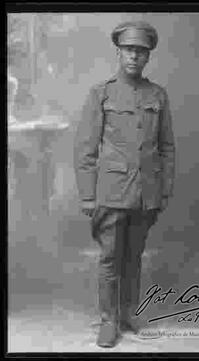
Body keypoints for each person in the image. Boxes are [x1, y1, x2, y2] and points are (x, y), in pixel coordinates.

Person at [73, 20, 175, 348]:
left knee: (134, 257)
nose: (134, 56)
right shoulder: (100, 93)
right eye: (129, 50)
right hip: (111, 193)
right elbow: (85, 150)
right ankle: (108, 320)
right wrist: (88, 197)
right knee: (109, 258)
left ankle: (129, 313)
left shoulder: (157, 95)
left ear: (148, 57)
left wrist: (164, 191)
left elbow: (167, 148)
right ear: (119, 52)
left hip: (146, 194)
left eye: (141, 52)